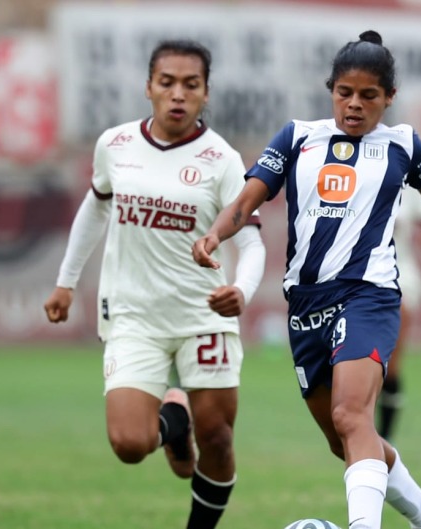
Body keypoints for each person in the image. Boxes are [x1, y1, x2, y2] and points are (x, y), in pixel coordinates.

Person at [192, 31, 421, 529]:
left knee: (351, 417)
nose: (355, 105)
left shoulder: (402, 145)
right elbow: (248, 199)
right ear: (331, 90)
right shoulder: (296, 137)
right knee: (346, 440)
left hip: (369, 296)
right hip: (306, 305)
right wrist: (214, 233)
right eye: (345, 93)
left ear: (389, 98)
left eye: (368, 95)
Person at [43, 40, 266, 529]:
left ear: (206, 93)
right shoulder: (116, 145)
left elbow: (251, 244)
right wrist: (66, 282)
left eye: (191, 84)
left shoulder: (222, 160)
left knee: (219, 440)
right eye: (167, 83)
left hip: (203, 315)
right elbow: (96, 206)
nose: (178, 94)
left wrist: (242, 292)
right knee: (128, 444)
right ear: (149, 88)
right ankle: (172, 425)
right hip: (133, 315)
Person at [378, 190, 421, 441]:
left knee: (388, 363)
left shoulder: (403, 175)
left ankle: (384, 441)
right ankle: (362, 438)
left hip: (398, 276)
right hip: (349, 280)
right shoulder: (346, 171)